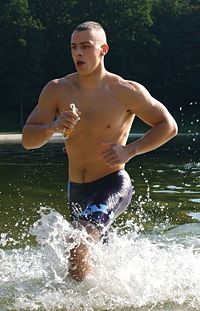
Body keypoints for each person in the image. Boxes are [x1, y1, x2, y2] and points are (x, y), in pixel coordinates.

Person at [22, 21, 178, 281]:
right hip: (76, 190)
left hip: (112, 184)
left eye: (85, 46)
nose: (78, 53)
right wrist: (52, 126)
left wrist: (130, 151)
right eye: (73, 47)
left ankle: (76, 303)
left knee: (78, 243)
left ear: (103, 49)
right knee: (88, 257)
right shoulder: (57, 89)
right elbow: (28, 139)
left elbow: (168, 126)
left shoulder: (125, 91)